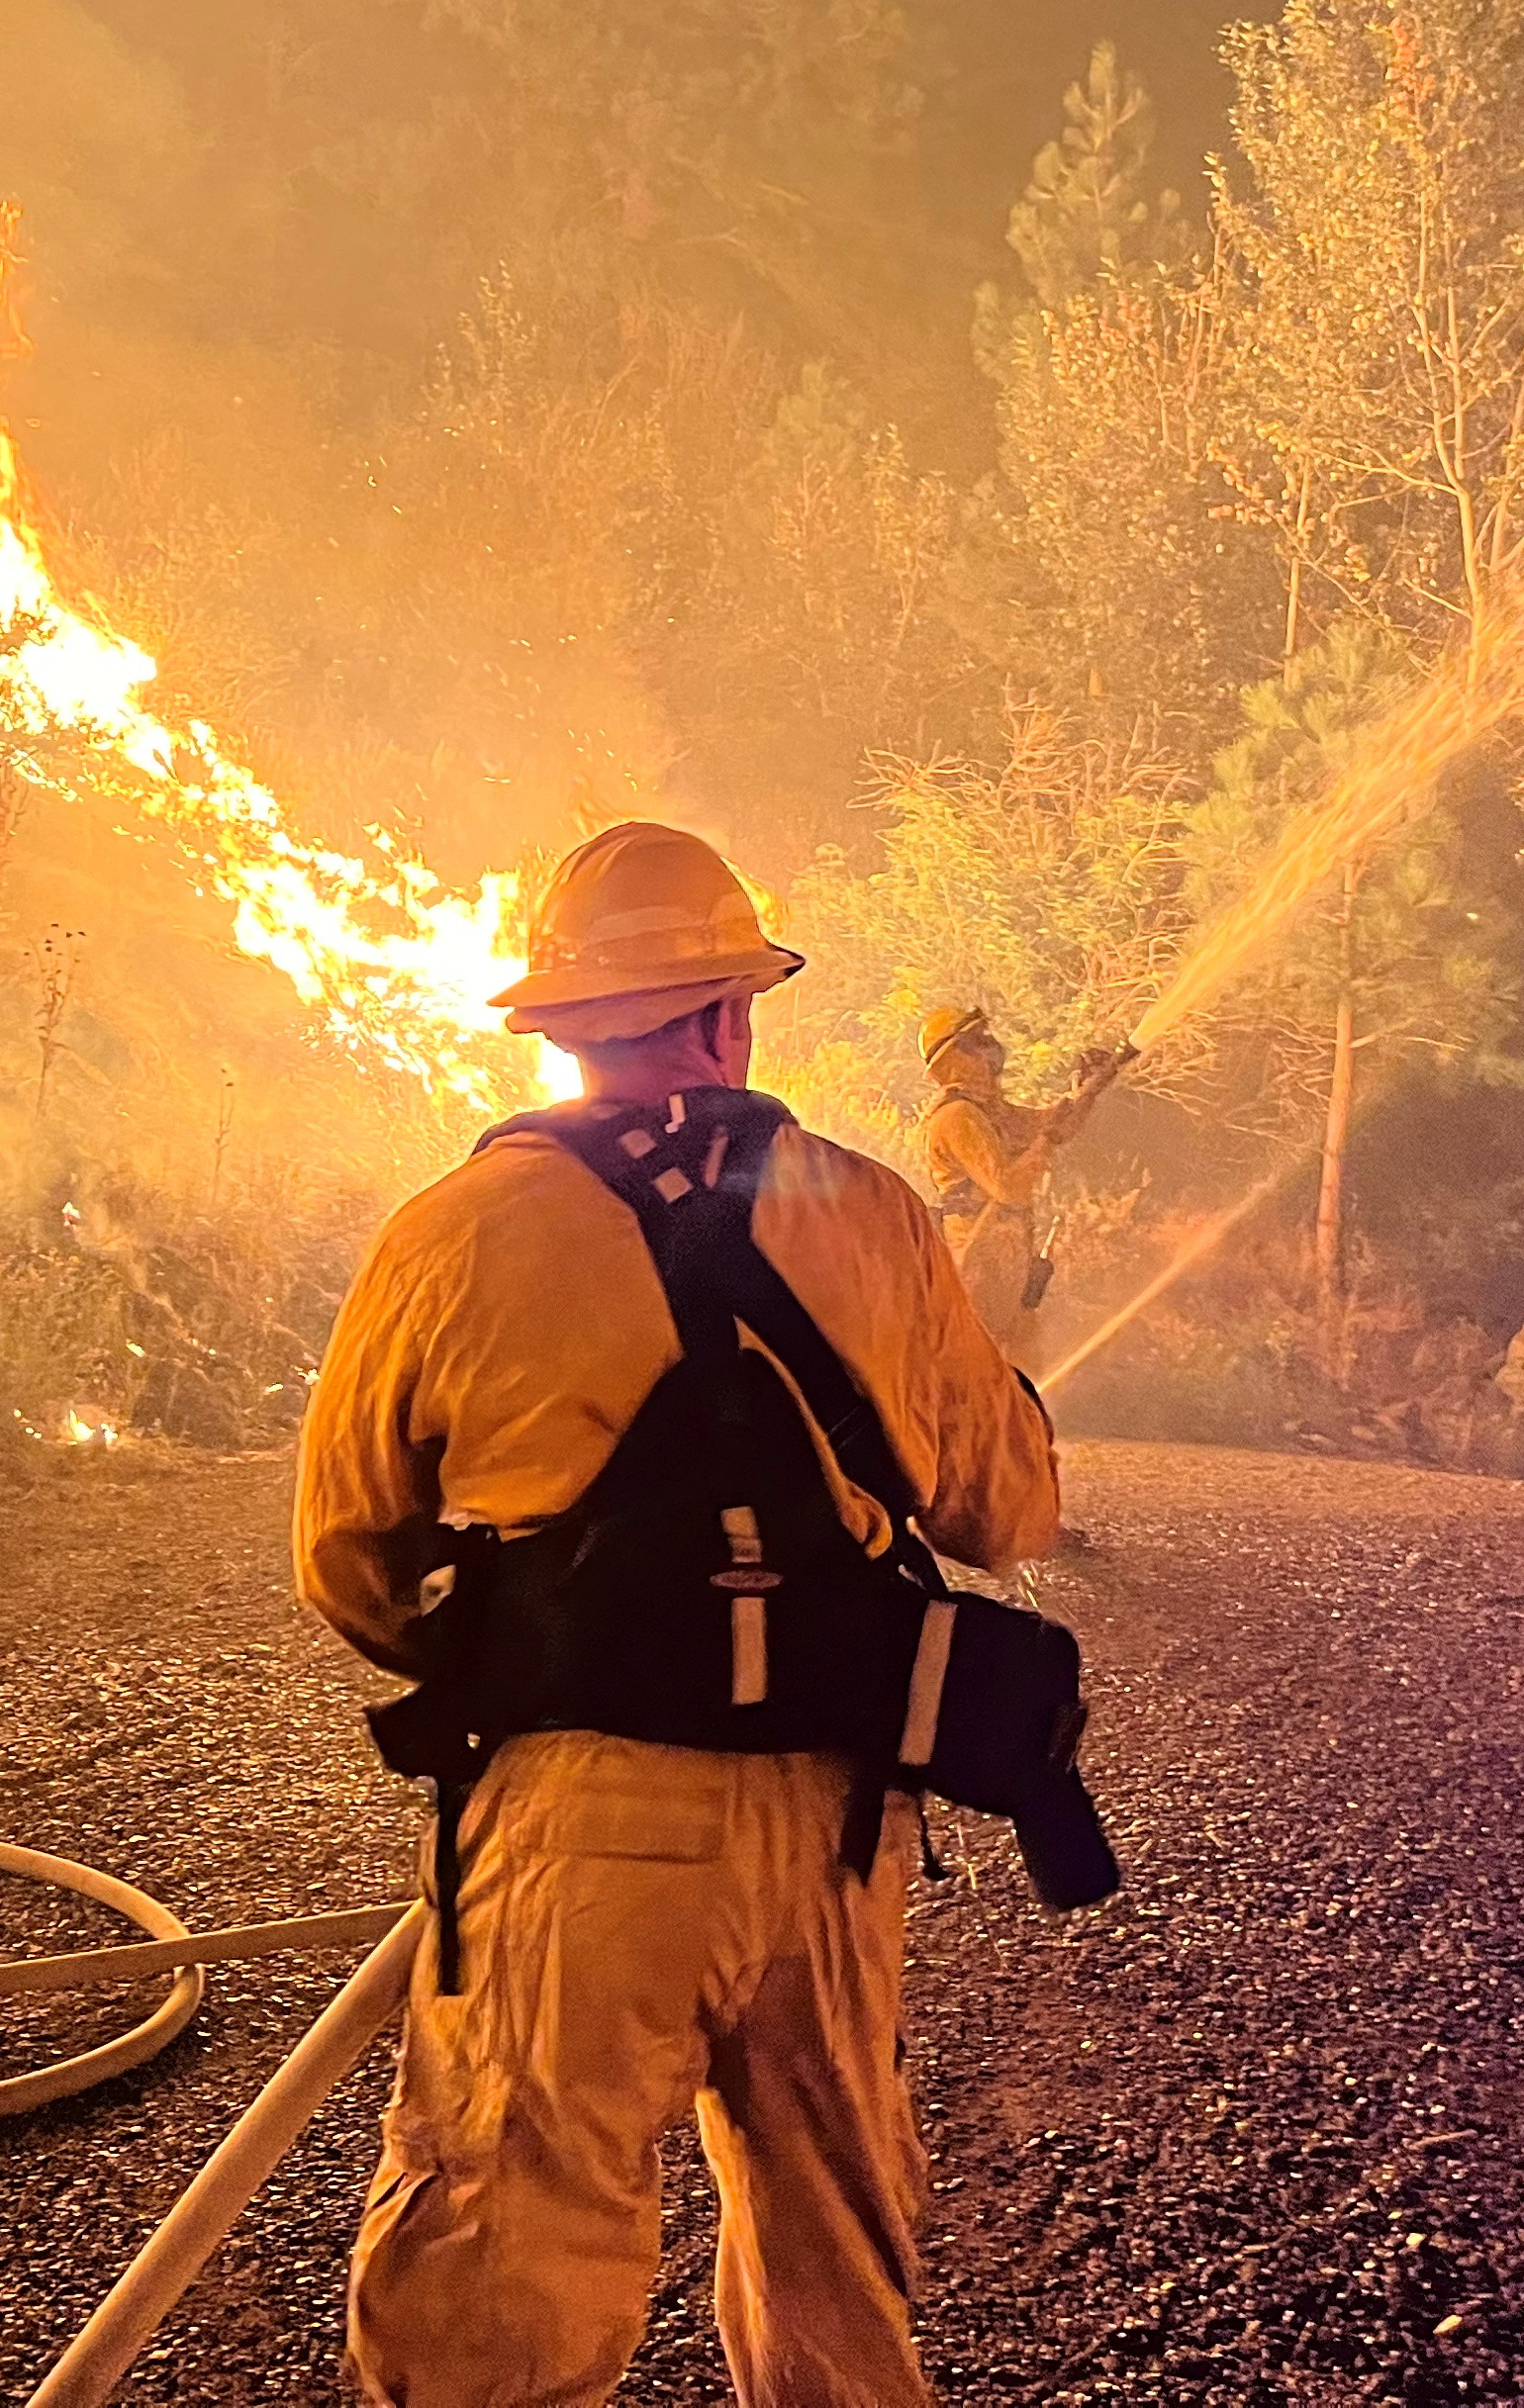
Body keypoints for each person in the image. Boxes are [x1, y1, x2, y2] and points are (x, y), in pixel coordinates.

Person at [296, 822, 1060, 2406]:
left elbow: (348, 1559)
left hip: (572, 1829)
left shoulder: (447, 1232)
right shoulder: (875, 1214)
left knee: (499, 2279)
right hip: (834, 1832)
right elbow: (1006, 1511)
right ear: (728, 1014)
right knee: (836, 2274)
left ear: (564, 1027)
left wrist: (530, 1654)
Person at [917, 1006, 1127, 1352]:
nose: (989, 1051)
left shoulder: (989, 1110)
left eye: (986, 1040)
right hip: (979, 1259)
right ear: (950, 1062)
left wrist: (1088, 1088)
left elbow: (1053, 1127)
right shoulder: (957, 1117)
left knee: (1021, 1354)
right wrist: (1047, 1141)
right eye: (975, 1043)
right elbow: (1009, 1187)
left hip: (1008, 1260)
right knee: (984, 1357)